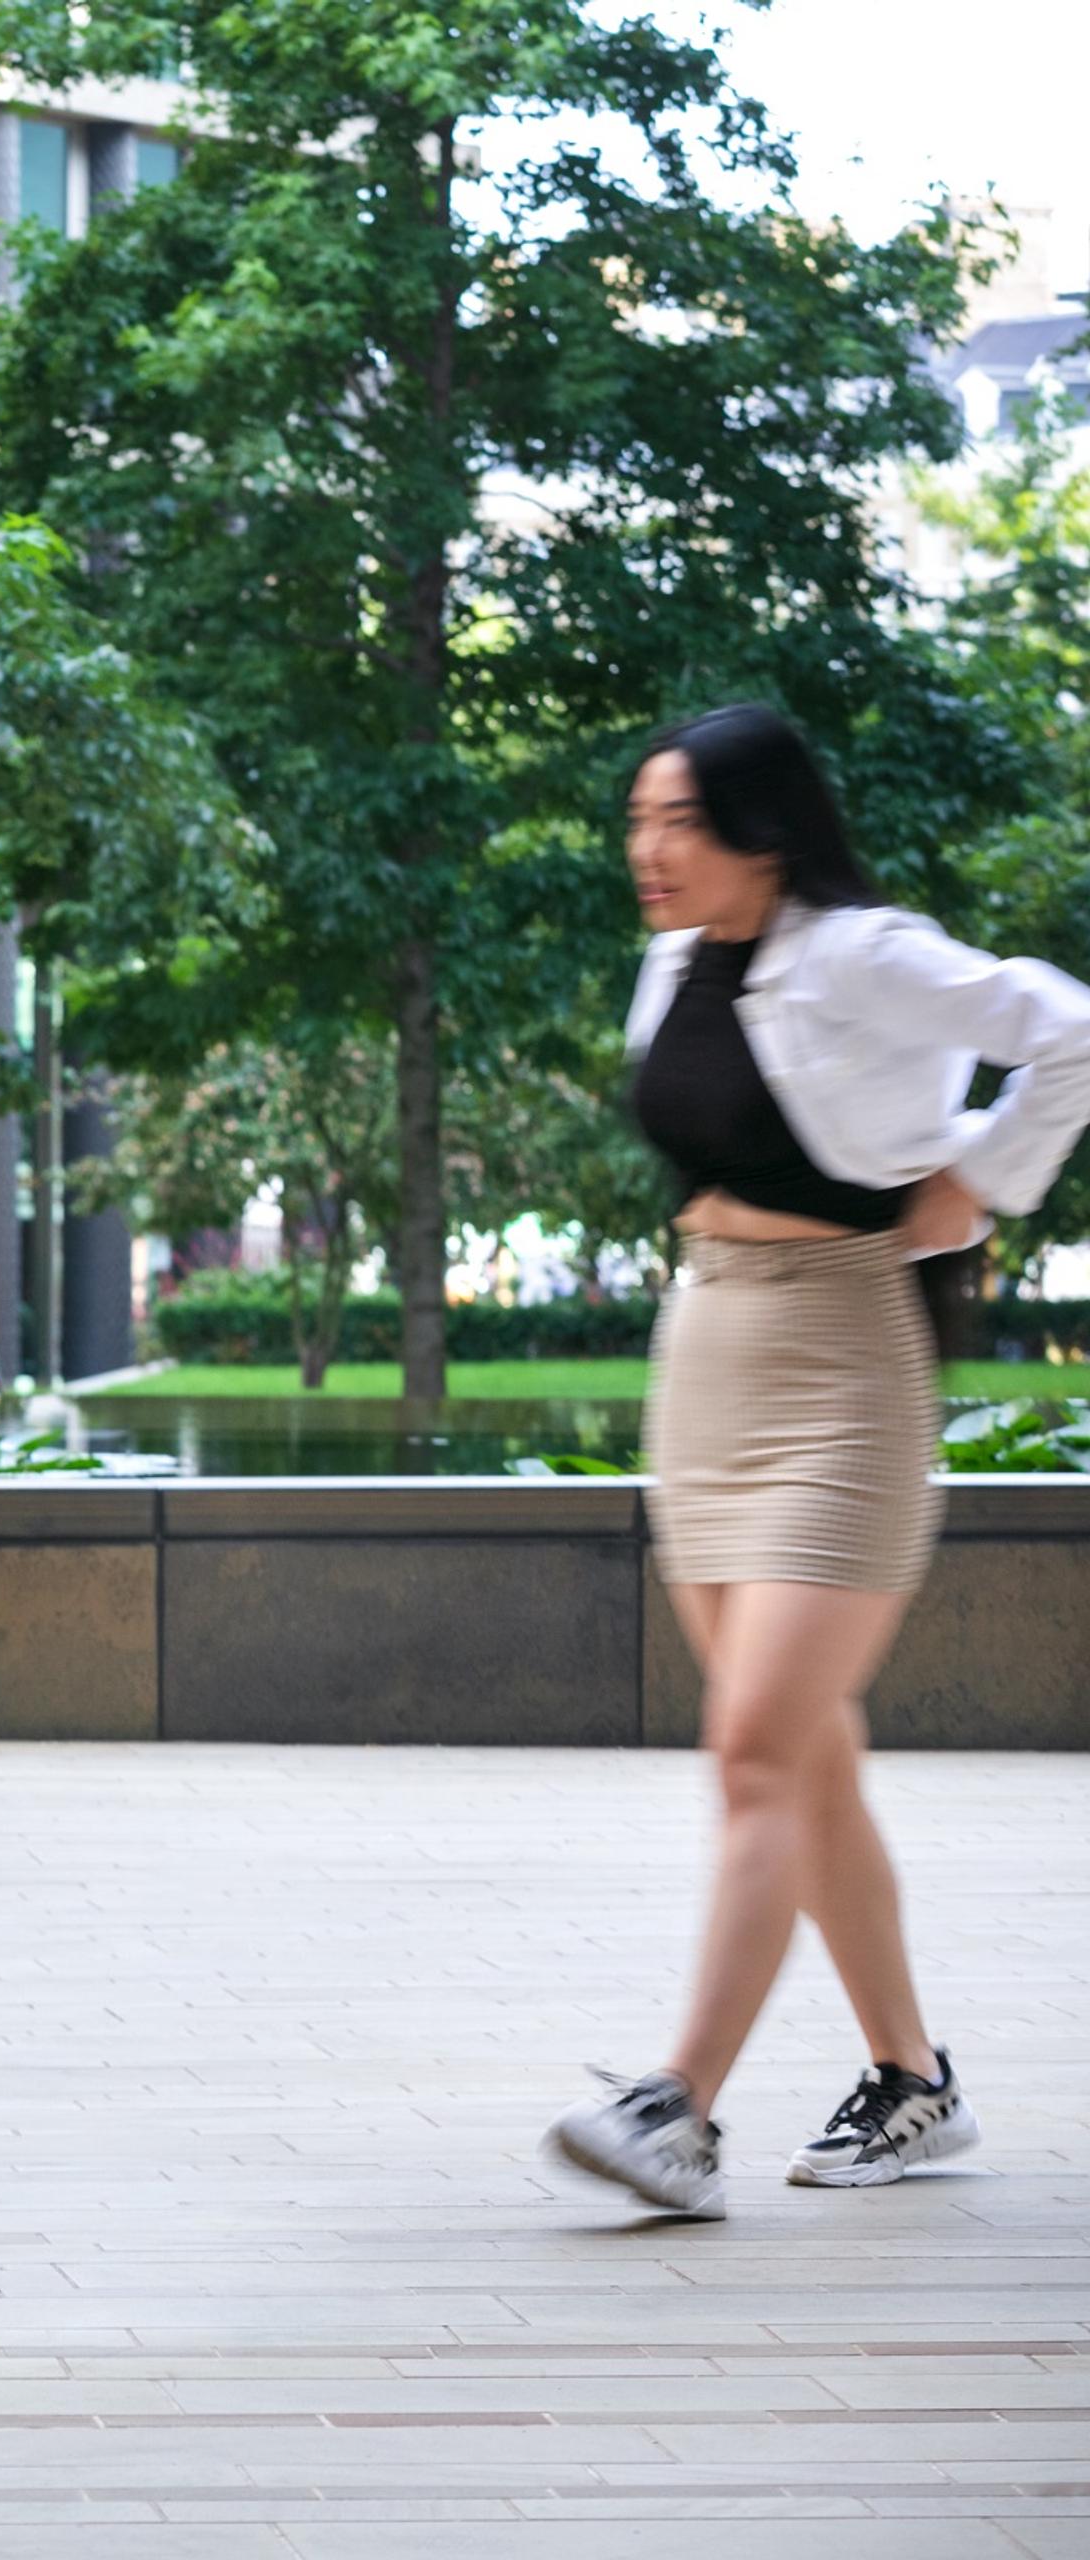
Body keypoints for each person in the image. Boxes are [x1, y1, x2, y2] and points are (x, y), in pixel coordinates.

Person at [544, 703, 1090, 2219]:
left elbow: (1069, 1025)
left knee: (757, 1752)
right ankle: (914, 2083)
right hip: (707, 1361)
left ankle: (678, 2111)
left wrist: (978, 1184)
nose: (648, 850)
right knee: (807, 1756)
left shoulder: (857, 951)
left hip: (843, 1372)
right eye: (638, 818)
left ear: (762, 833)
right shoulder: (675, 961)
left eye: (681, 822)